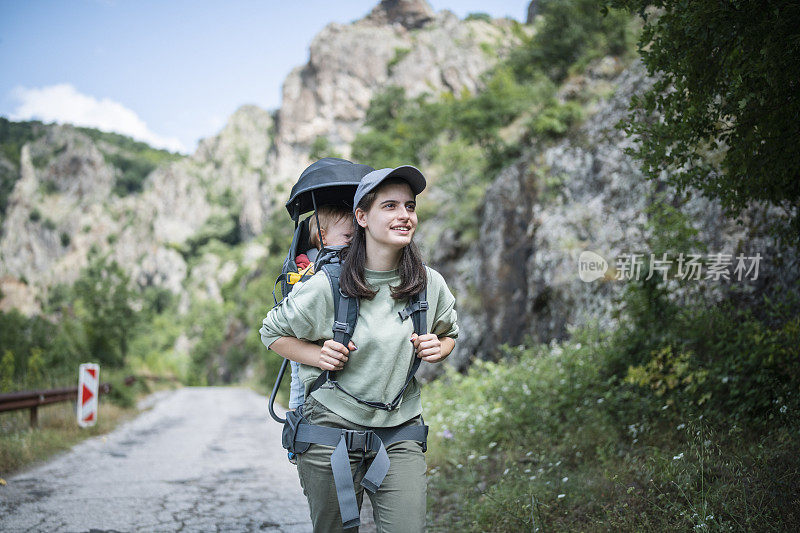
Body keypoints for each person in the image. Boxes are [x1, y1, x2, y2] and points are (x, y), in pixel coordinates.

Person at [260, 165, 458, 532]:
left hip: (400, 433)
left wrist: (439, 347)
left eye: (410, 207)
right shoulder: (326, 285)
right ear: (362, 217)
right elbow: (271, 332)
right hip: (329, 435)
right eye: (390, 206)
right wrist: (316, 355)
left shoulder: (428, 283)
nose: (404, 215)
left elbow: (449, 334)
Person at [288, 204, 355, 413]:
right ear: (323, 237)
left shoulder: (351, 261)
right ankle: (296, 418)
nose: (352, 242)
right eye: (347, 237)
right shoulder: (305, 264)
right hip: (305, 338)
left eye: (356, 237)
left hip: (336, 334)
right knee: (299, 382)